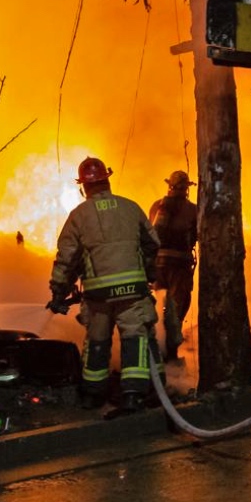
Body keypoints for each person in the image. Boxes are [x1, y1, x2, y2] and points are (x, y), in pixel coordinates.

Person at [48, 156, 161, 415]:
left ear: (83, 187)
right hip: (133, 292)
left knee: (97, 342)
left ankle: (92, 395)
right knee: (135, 340)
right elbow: (152, 243)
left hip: (98, 296)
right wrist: (146, 271)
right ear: (107, 181)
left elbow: (67, 257)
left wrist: (59, 290)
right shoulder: (131, 207)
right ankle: (133, 395)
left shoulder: (78, 216)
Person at [148, 170, 198, 362]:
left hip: (158, 266)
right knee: (177, 309)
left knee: (160, 307)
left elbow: (150, 235)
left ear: (169, 186)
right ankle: (171, 353)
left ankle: (156, 347)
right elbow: (197, 235)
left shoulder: (156, 206)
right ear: (187, 189)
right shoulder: (192, 209)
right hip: (180, 267)